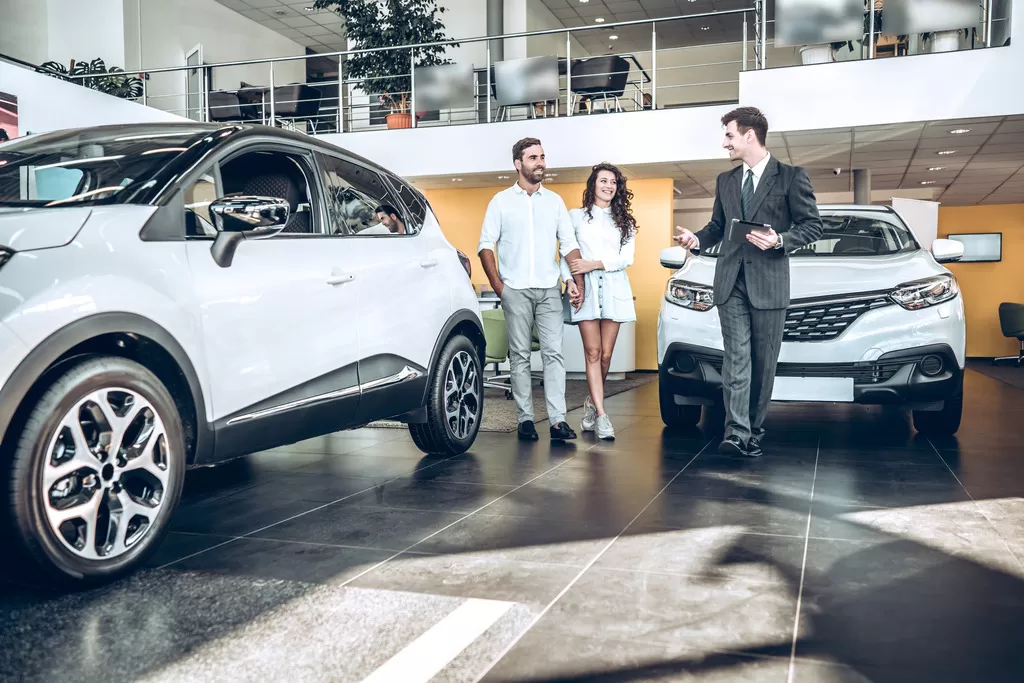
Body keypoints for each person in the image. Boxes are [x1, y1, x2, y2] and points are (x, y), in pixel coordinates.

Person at [674, 106, 823, 458]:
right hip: (730, 281)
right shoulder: (725, 180)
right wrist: (696, 239)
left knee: (762, 361)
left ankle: (754, 429)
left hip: (769, 282)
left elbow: (812, 225)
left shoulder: (790, 177)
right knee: (736, 358)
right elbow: (717, 226)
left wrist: (780, 240)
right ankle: (736, 432)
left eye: (729, 135)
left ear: (749, 135)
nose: (725, 142)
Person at [478, 137, 586, 442]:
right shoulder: (500, 201)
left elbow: (568, 244)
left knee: (554, 354)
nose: (540, 162)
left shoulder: (554, 202)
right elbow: (485, 245)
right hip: (515, 290)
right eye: (533, 158)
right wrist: (500, 287)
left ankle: (557, 421)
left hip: (550, 289)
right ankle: (525, 419)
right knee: (520, 355)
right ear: (518, 164)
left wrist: (576, 281)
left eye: (542, 157)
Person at [560, 163, 637, 441]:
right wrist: (568, 281)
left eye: (613, 182)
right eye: (603, 180)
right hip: (587, 291)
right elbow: (566, 254)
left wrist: (593, 263)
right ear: (593, 184)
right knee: (592, 353)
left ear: (618, 188)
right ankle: (603, 415)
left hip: (615, 288)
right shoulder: (576, 217)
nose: (608, 185)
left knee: (605, 355)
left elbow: (627, 258)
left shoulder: (625, 221)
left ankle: (592, 404)